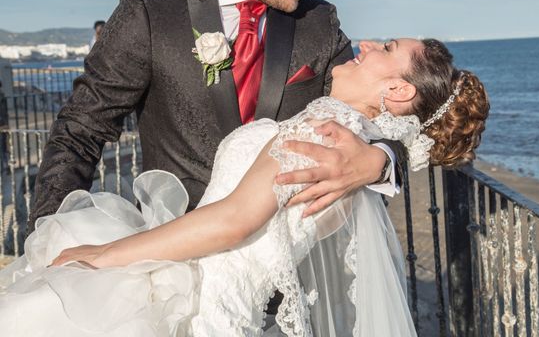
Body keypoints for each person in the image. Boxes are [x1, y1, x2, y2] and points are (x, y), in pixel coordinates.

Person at [0, 38, 490, 336]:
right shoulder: (349, 144)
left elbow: (235, 221)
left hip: (196, 305)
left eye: (386, 49)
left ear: (399, 91)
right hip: (214, 299)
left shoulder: (326, 138)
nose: (363, 45)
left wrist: (105, 254)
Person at [29, 0, 403, 236]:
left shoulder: (319, 22)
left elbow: (381, 112)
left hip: (291, 268)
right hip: (171, 260)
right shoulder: (151, 9)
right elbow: (82, 128)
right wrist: (44, 239)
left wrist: (379, 160)